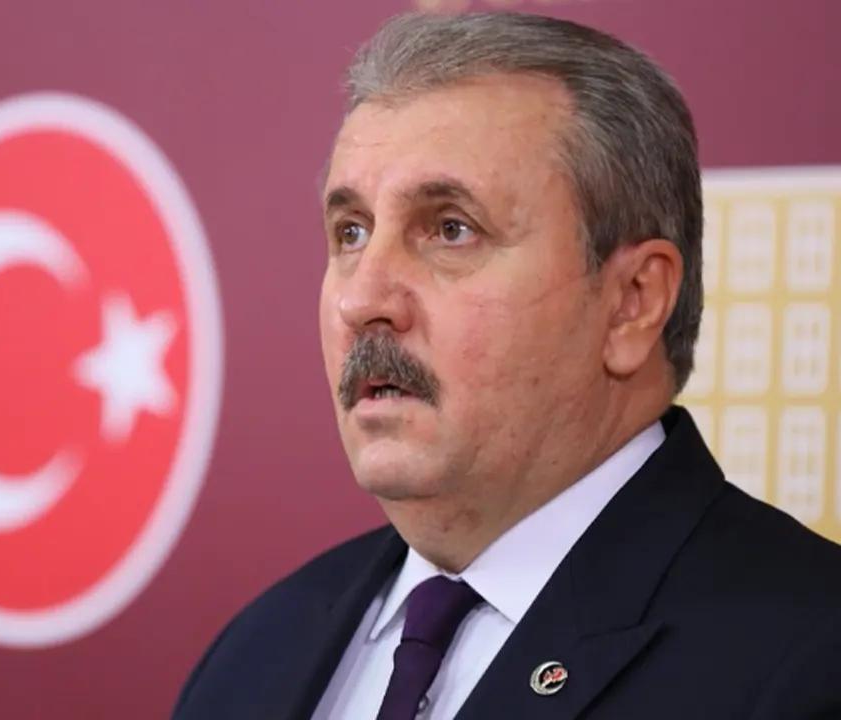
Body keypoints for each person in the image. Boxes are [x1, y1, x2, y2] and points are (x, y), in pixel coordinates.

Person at [173, 12, 841, 720]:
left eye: (451, 229)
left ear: (632, 302)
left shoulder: (810, 662)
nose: (362, 300)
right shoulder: (253, 655)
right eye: (352, 232)